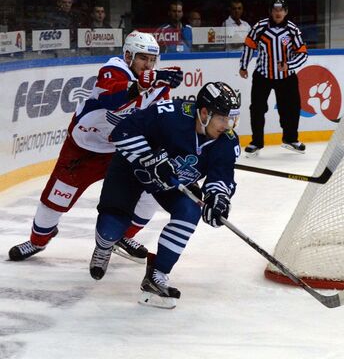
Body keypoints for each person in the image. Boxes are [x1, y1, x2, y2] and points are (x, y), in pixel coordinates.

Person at [8, 31, 184, 263]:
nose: (148, 64)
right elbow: (110, 98)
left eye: (152, 60)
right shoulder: (114, 68)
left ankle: (122, 235)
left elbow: (163, 120)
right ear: (128, 55)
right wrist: (143, 84)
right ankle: (38, 241)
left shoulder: (159, 86)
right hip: (85, 147)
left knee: (151, 192)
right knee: (56, 199)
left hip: (122, 151)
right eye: (143, 58)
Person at [89, 82, 241, 309]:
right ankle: (103, 247)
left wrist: (217, 198)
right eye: (222, 118)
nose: (227, 125)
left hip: (172, 182)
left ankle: (157, 275)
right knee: (110, 230)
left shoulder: (227, 141)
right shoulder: (171, 115)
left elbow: (222, 174)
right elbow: (122, 131)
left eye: (231, 119)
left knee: (191, 211)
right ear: (204, 113)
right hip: (133, 169)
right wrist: (149, 158)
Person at [239, 0, 308, 157]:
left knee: (291, 108)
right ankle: (256, 142)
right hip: (263, 75)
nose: (278, 13)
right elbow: (249, 46)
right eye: (275, 10)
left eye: (281, 10)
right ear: (271, 11)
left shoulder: (293, 30)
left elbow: (303, 54)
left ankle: (290, 139)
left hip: (287, 76)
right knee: (257, 109)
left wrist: (289, 65)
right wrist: (243, 66)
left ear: (286, 12)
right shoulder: (260, 27)